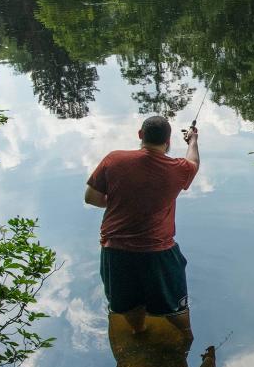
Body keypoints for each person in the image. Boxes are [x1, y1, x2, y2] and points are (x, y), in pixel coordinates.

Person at [85, 115, 199, 339]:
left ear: (140, 135)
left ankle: (139, 332)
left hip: (115, 252)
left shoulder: (113, 159)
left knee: (127, 304)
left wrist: (123, 200)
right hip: (158, 253)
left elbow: (91, 197)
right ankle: (186, 338)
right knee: (176, 306)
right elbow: (193, 162)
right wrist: (193, 140)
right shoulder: (178, 168)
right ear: (168, 141)